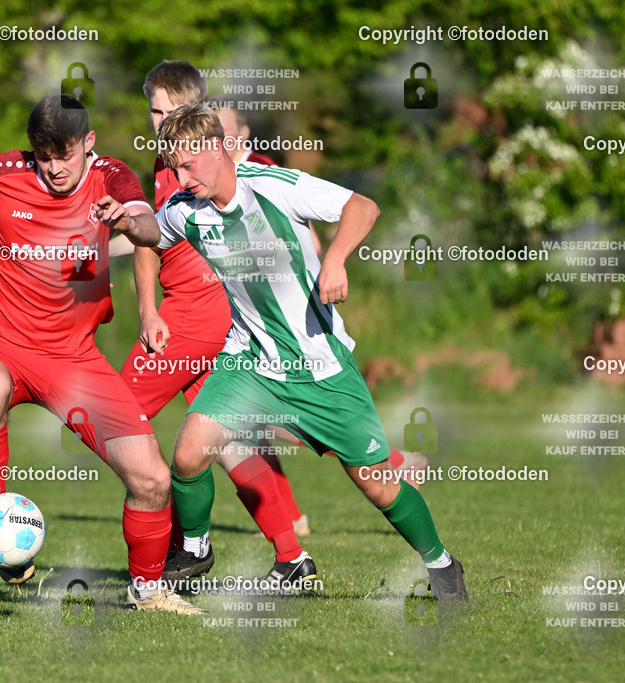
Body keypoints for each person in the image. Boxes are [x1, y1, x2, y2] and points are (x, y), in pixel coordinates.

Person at [0, 95, 203, 614]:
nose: (54, 168)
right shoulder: (1, 171)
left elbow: (148, 227)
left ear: (88, 144)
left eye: (65, 156)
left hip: (73, 359)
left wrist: (126, 220)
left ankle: (148, 591)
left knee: (153, 478)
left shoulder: (111, 176)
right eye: (44, 157)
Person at [154, 103, 468, 599]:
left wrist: (336, 260)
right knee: (191, 449)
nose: (181, 176)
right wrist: (116, 223)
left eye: (188, 165)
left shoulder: (274, 186)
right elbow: (151, 232)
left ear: (217, 149)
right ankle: (194, 548)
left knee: (375, 483)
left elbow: (362, 206)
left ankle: (443, 565)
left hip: (321, 367)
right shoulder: (183, 210)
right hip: (251, 362)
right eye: (174, 167)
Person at [111, 61, 316, 584]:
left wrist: (154, 312)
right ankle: (293, 557)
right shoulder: (168, 164)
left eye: (165, 110)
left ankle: (175, 550)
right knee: (228, 442)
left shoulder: (204, 162)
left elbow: (154, 240)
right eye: (152, 110)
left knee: (116, 419)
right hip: (206, 316)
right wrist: (147, 307)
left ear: (192, 110)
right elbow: (150, 239)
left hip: (196, 316)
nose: (155, 120)